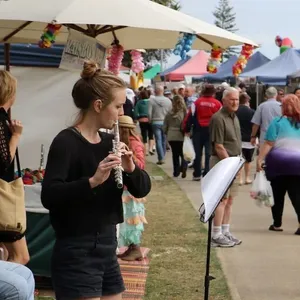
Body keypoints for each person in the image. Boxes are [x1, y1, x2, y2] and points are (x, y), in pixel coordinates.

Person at [41, 61, 151, 300]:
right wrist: (92, 181)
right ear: (99, 105)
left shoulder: (108, 141)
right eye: (118, 106)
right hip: (76, 249)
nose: (122, 113)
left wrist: (130, 167)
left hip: (107, 245)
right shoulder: (66, 142)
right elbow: (49, 195)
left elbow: (142, 189)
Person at [257, 94, 300, 235]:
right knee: (297, 196)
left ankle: (277, 224)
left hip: (277, 166)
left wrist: (260, 159)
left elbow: (269, 143)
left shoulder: (276, 122)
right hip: (297, 166)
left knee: (277, 196)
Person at [0, 70, 30, 265]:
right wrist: (17, 136)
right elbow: (3, 162)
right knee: (21, 256)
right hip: (3, 197)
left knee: (6, 254)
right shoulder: (0, 121)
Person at [209, 87, 242, 247]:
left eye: (237, 99)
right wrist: (231, 166)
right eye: (232, 99)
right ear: (224, 100)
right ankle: (216, 234)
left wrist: (239, 163)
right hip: (222, 163)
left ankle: (225, 230)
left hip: (234, 162)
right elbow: (219, 146)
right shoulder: (218, 118)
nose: (235, 102)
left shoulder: (234, 117)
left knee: (230, 200)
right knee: (221, 200)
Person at [117, 115, 147, 261]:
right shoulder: (125, 142)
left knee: (132, 220)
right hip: (125, 188)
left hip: (131, 189)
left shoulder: (134, 143)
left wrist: (129, 159)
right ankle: (131, 248)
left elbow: (141, 165)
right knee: (126, 219)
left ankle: (135, 248)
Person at [183, 84, 222, 181]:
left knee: (197, 153)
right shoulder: (217, 104)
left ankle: (197, 173)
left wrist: (186, 129)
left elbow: (189, 116)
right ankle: (207, 173)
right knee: (209, 153)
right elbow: (221, 118)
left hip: (198, 130)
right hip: (211, 131)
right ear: (213, 93)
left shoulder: (197, 102)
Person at [163, 95, 187, 178]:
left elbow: (165, 125)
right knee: (183, 153)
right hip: (181, 134)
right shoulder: (184, 112)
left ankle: (176, 172)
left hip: (171, 135)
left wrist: (166, 132)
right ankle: (184, 166)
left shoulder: (169, 113)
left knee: (175, 154)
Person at [148, 86, 172, 165]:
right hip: (165, 122)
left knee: (158, 140)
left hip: (155, 122)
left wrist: (150, 120)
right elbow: (170, 113)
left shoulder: (151, 100)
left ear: (155, 91)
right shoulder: (168, 101)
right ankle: (163, 156)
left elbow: (149, 113)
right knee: (164, 140)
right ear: (163, 91)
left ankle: (161, 157)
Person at [236, 93, 255, 185]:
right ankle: (247, 178)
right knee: (248, 160)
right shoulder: (252, 112)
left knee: (239, 159)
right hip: (249, 139)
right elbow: (255, 125)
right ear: (247, 101)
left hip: (237, 139)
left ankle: (239, 179)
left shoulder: (235, 111)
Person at [134, 89, 155, 155]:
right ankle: (151, 149)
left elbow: (135, 112)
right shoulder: (151, 102)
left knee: (144, 135)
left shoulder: (139, 102)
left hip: (142, 120)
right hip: (150, 120)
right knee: (151, 135)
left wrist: (136, 118)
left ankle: (145, 151)